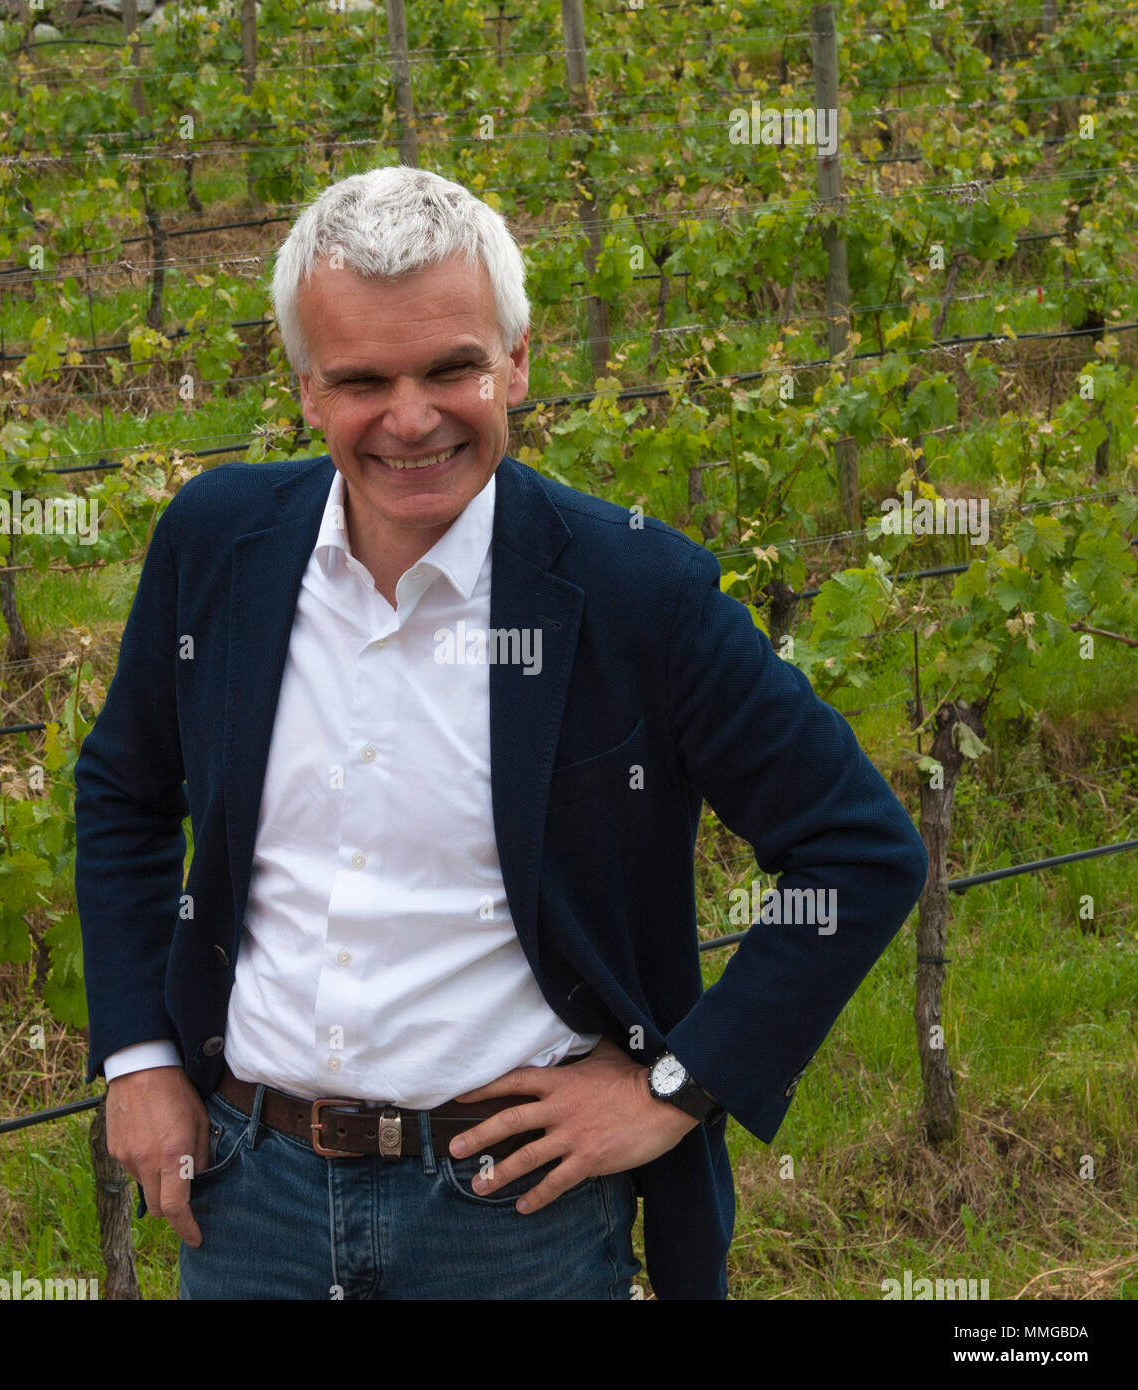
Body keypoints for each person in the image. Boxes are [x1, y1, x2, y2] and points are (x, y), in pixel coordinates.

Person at [73, 164, 928, 1300]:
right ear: (304, 387)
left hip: (509, 1216)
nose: (411, 418)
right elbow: (127, 792)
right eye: (362, 379)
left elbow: (859, 849)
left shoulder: (637, 593)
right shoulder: (216, 544)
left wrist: (674, 1086)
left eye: (452, 368)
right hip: (248, 1198)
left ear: (517, 362)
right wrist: (137, 1056)